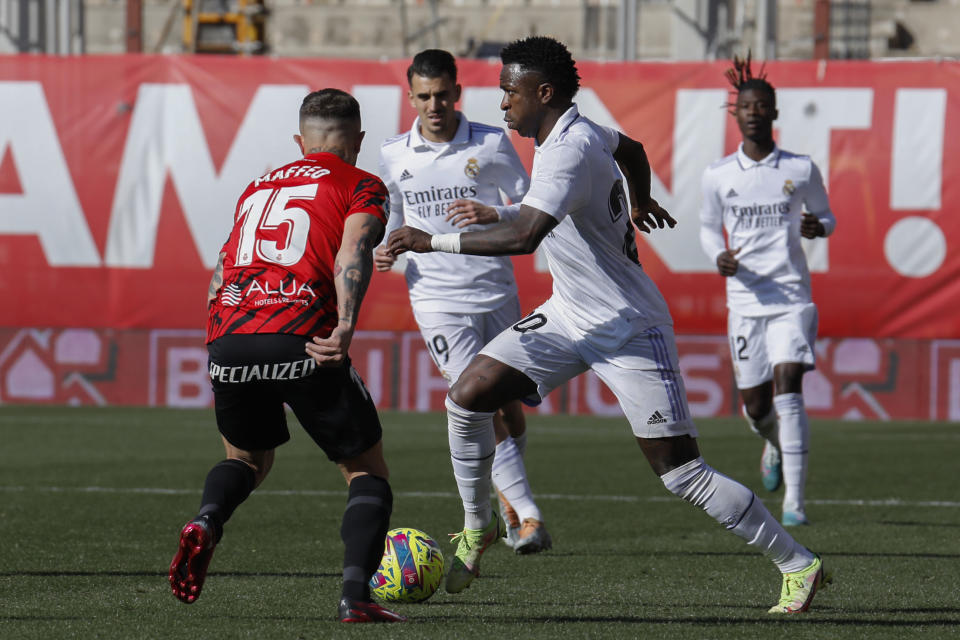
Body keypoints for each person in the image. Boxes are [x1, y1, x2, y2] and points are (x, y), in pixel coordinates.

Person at [387, 36, 831, 613]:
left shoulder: (569, 149)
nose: (501, 105)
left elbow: (524, 237)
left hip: (627, 327)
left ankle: (799, 563)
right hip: (568, 313)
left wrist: (430, 239)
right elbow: (636, 149)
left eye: (509, 93)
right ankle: (480, 525)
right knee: (467, 394)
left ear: (542, 94)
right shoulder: (580, 130)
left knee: (682, 474)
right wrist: (640, 200)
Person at [168, 88, 405, 624]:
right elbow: (353, 250)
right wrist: (344, 326)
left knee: (246, 460)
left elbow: (221, 274)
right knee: (365, 469)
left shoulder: (257, 187)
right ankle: (355, 596)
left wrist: (223, 342)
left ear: (301, 142)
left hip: (230, 335)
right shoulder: (362, 184)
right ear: (359, 141)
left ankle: (206, 521)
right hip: (302, 337)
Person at [374, 48, 551, 553]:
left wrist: (492, 211)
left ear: (457, 92)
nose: (434, 104)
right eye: (424, 96)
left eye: (442, 94)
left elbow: (530, 207)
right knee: (476, 400)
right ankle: (526, 518)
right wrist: (388, 244)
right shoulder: (395, 152)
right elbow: (394, 206)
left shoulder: (493, 142)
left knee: (508, 405)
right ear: (411, 97)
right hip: (435, 296)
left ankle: (508, 503)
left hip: (495, 289)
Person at [699, 55, 837, 527]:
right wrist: (717, 256)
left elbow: (827, 215)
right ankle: (772, 442)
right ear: (735, 114)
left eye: (763, 106)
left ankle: (795, 500)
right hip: (745, 302)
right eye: (747, 106)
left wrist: (820, 225)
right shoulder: (719, 175)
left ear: (774, 113)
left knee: (789, 387)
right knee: (757, 407)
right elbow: (704, 228)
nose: (755, 112)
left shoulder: (799, 168)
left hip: (791, 298)